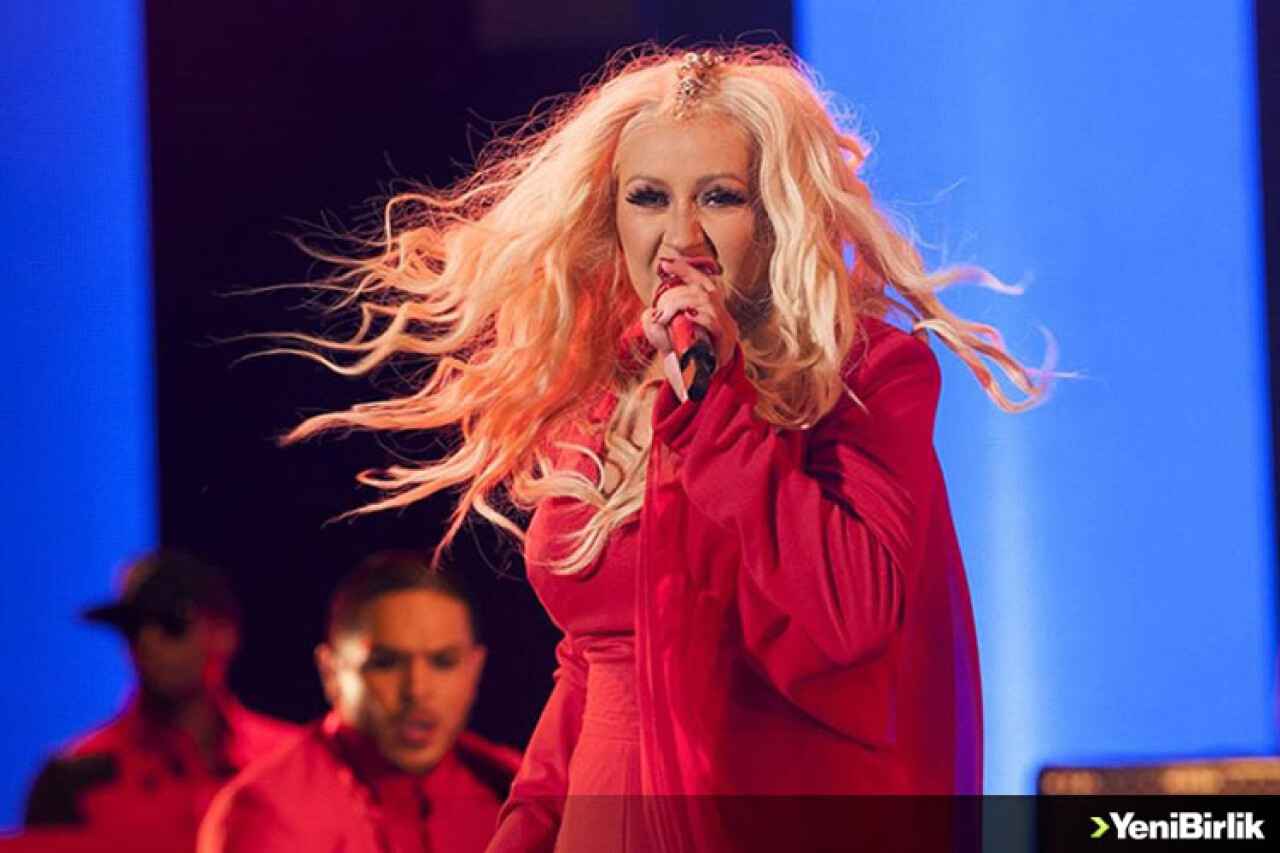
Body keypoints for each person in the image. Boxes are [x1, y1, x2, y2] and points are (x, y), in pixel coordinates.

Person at [280, 45, 1050, 851]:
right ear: (611, 216)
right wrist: (525, 824)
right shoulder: (601, 386)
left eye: (720, 196)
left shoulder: (863, 375)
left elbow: (853, 613)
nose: (682, 235)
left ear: (775, 212)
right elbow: (592, 661)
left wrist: (716, 406)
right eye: (648, 197)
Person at [198, 551, 520, 853]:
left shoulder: (513, 791)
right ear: (330, 672)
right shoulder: (268, 814)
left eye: (443, 662)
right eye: (385, 663)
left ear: (475, 669)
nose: (417, 690)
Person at [22, 549, 299, 851]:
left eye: (172, 622)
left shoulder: (290, 763)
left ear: (224, 633)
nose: (149, 641)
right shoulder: (73, 779)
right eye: (133, 627)